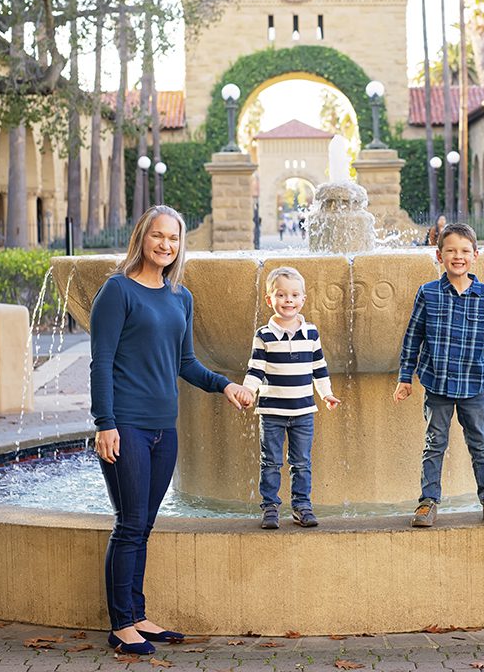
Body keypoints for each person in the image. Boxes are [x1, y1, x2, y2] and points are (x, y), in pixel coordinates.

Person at [91, 205, 246, 656]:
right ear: (142, 237)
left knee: (144, 526)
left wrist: (226, 386)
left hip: (164, 429)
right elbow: (101, 362)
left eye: (173, 238)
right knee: (130, 524)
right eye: (158, 236)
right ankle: (121, 625)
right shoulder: (116, 291)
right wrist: (105, 424)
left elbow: (185, 364)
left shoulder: (180, 296)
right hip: (127, 426)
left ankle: (138, 616)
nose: (165, 245)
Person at [394, 222, 484, 528]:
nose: (458, 256)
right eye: (451, 251)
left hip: (472, 385)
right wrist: (405, 378)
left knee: (480, 444)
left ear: (475, 256)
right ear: (439, 255)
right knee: (435, 443)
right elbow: (413, 337)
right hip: (437, 384)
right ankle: (428, 501)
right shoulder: (428, 293)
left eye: (464, 251)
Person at [238, 266, 340, 529]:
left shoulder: (312, 333)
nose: (288, 301)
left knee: (302, 462)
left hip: (304, 411)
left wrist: (326, 394)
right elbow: (256, 369)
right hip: (272, 412)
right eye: (281, 295)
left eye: (294, 295)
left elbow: (319, 368)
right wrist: (248, 391)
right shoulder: (264, 335)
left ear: (303, 299)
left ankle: (301, 505)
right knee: (270, 461)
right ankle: (270, 506)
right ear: (269, 299)